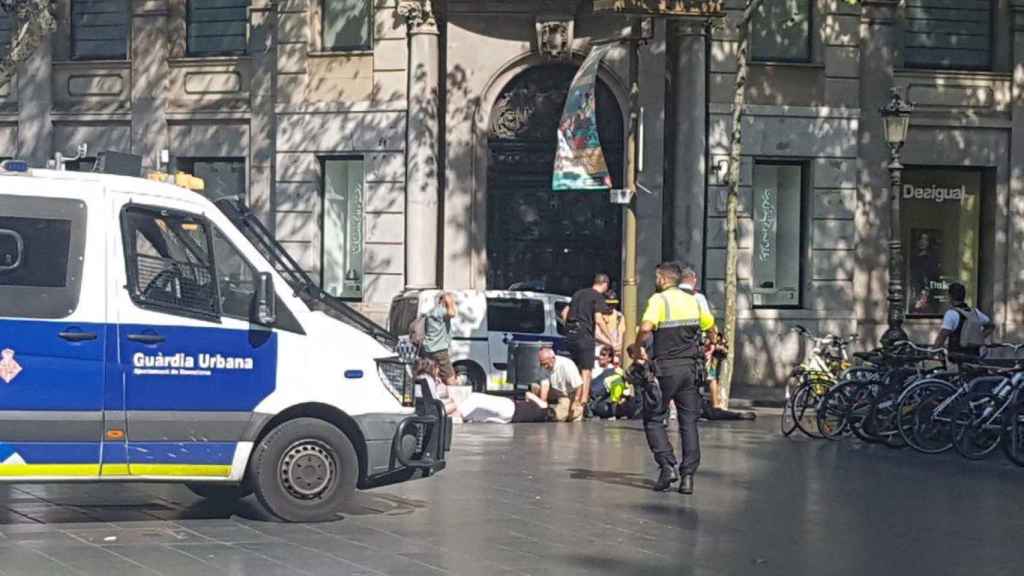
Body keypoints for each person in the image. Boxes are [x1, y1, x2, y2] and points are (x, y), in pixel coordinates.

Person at [637, 262, 714, 494]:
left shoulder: (659, 300)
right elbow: (711, 327)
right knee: (688, 422)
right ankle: (688, 476)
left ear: (662, 279)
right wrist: (710, 344)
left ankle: (667, 465)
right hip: (691, 370)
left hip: (665, 370)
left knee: (653, 418)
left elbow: (647, 326)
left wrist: (636, 345)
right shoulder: (694, 300)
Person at [677, 266, 755, 422]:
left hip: (675, 344)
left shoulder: (670, 297)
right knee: (709, 376)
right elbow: (708, 321)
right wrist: (712, 341)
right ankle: (715, 404)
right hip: (697, 345)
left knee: (679, 378)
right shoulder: (697, 297)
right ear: (693, 279)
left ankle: (676, 409)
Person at [562, 274, 612, 409]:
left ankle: (573, 399)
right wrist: (610, 337)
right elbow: (599, 320)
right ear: (605, 284)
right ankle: (582, 402)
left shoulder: (578, 294)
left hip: (571, 335)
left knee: (575, 368)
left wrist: (568, 327)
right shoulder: (597, 296)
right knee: (586, 370)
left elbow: (564, 312)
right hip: (585, 336)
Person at [934, 282, 994, 357]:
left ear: (950, 296)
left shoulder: (951, 313)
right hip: (975, 356)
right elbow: (991, 326)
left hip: (956, 357)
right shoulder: (975, 312)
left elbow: (942, 335)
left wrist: (932, 351)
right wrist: (979, 337)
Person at [533, 348, 585, 420]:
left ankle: (578, 411)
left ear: (553, 358)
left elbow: (579, 385)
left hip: (570, 394)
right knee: (534, 388)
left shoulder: (566, 365)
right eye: (542, 364)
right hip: (556, 391)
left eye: (546, 364)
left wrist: (575, 401)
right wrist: (542, 404)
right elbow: (544, 387)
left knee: (558, 417)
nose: (544, 366)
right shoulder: (543, 366)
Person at [589, 346, 637, 419]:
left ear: (610, 358)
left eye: (603, 355)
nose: (600, 357)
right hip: (596, 400)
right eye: (600, 354)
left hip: (608, 400)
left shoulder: (614, 371)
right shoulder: (593, 370)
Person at [422, 292, 457, 386]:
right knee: (450, 376)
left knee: (435, 374)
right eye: (452, 300)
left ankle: (436, 394)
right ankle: (455, 396)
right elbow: (453, 313)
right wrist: (450, 302)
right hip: (439, 349)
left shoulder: (432, 311)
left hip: (429, 348)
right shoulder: (441, 311)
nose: (454, 303)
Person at [595, 291, 625, 364]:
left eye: (613, 304)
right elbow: (596, 334)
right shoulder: (597, 314)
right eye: (608, 304)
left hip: (613, 353)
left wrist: (617, 351)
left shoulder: (619, 316)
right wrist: (611, 344)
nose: (611, 306)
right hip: (597, 352)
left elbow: (620, 335)